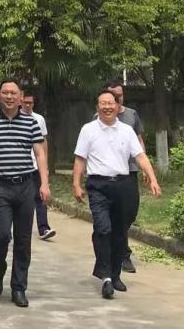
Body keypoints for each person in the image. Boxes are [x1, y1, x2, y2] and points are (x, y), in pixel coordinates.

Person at [73, 90, 162, 300]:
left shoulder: (126, 130)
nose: (107, 107)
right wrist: (76, 184)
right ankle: (105, 277)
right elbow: (80, 159)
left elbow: (140, 156)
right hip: (98, 186)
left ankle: (115, 274)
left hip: (123, 185)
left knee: (120, 232)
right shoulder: (88, 130)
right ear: (97, 107)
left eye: (110, 103)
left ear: (117, 106)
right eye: (102, 103)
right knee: (103, 229)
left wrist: (153, 178)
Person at [0, 80, 48, 308]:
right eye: (5, 92)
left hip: (25, 185)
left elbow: (40, 154)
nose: (9, 96)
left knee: (23, 241)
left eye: (13, 93)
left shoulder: (31, 122)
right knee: (1, 235)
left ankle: (19, 288)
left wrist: (44, 184)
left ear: (21, 96)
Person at [103, 79, 146, 274]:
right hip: (110, 174)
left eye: (120, 95)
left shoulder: (131, 115)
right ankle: (123, 254)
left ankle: (117, 241)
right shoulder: (100, 117)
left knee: (130, 212)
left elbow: (139, 140)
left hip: (130, 170)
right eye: (113, 95)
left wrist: (144, 166)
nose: (117, 98)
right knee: (116, 214)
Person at [20, 93, 56, 241]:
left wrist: (45, 165)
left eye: (31, 103)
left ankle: (43, 228)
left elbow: (43, 141)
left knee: (40, 196)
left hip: (36, 164)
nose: (28, 105)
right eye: (25, 102)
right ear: (21, 102)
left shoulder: (39, 119)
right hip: (21, 166)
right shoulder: (16, 118)